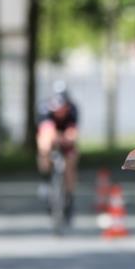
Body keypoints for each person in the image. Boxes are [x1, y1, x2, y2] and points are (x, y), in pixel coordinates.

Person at [36, 81, 80, 216]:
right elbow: (45, 129)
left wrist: (67, 139)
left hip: (66, 133)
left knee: (71, 160)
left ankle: (69, 195)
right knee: (45, 145)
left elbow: (73, 131)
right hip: (51, 131)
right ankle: (45, 179)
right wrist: (52, 139)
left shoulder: (72, 109)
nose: (60, 111)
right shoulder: (45, 108)